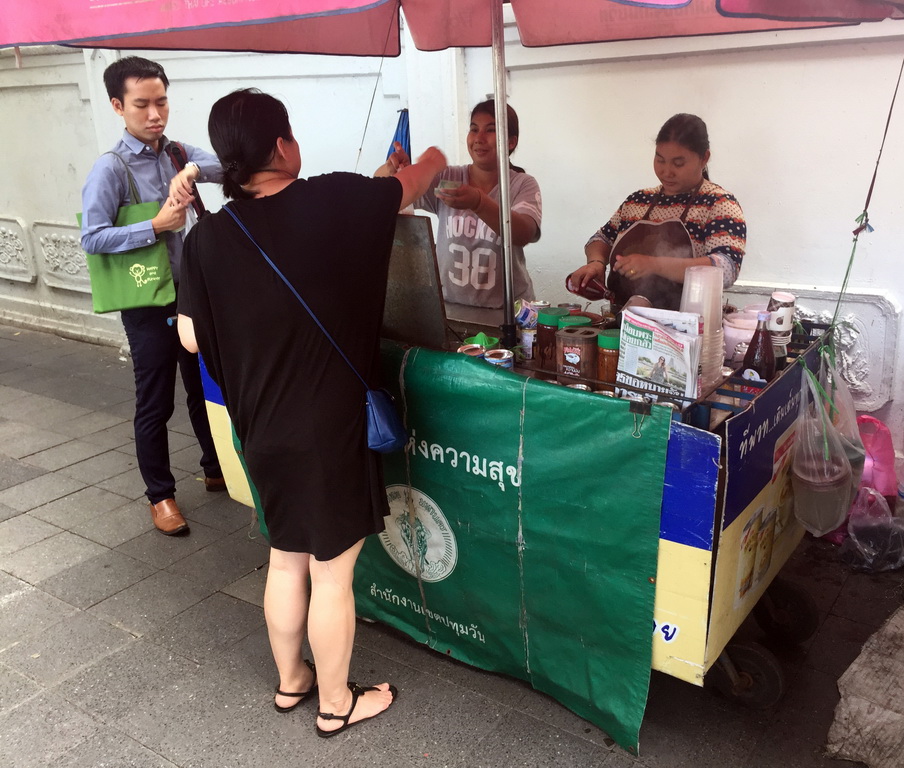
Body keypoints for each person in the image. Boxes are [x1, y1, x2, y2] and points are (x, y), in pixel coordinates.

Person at [176, 88, 446, 737]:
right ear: (282, 146)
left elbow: (189, 335)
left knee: (286, 558)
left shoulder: (208, 237)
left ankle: (292, 681)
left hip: (262, 429)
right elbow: (416, 176)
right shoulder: (338, 199)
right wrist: (431, 154)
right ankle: (335, 703)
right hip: (329, 431)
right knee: (333, 575)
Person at [80, 56, 224, 537]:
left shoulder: (179, 152)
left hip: (193, 295)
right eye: (142, 104)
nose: (155, 113)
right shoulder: (111, 168)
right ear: (118, 106)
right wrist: (154, 226)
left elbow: (229, 162)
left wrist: (193, 173)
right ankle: (160, 495)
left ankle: (214, 465)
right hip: (146, 303)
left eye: (161, 101)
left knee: (204, 388)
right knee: (155, 401)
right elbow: (92, 237)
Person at [376, 99, 542, 310]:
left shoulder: (522, 184)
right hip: (451, 308)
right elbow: (383, 195)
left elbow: (523, 233)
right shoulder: (448, 177)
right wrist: (393, 169)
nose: (479, 138)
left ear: (511, 142)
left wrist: (478, 202)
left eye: (490, 130)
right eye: (474, 129)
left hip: (509, 311)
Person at [568, 113, 746, 310]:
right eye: (660, 160)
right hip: (624, 324)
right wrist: (596, 262)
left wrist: (655, 265)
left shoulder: (718, 203)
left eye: (678, 163)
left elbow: (726, 268)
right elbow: (601, 238)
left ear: (704, 158)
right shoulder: (638, 200)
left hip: (686, 330)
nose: (666, 171)